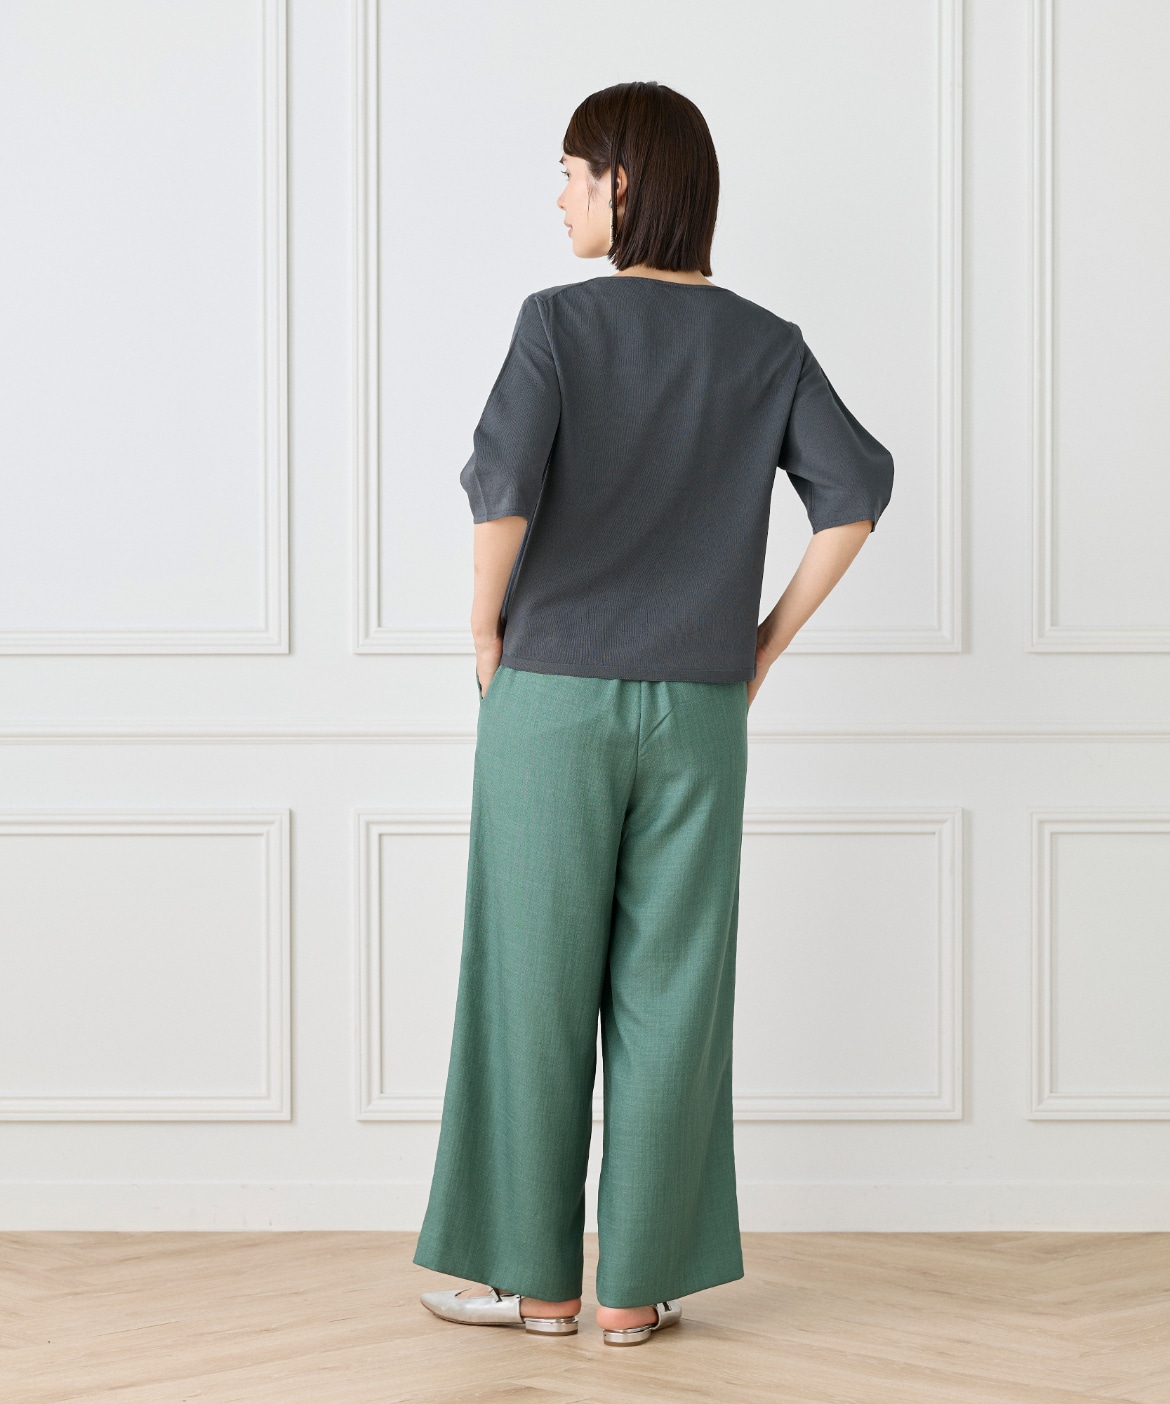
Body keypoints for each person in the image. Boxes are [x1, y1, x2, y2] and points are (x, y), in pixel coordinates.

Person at [413, 80, 894, 1347]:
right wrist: (762, 647)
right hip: (701, 712)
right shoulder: (768, 344)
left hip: (552, 701)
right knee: (674, 992)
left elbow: (503, 487)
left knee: (529, 986)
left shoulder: (557, 323)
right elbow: (854, 496)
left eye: (573, 173)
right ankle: (633, 1291)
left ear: (623, 184)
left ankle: (535, 1285)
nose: (560, 197)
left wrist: (484, 630)